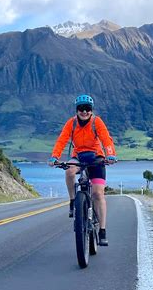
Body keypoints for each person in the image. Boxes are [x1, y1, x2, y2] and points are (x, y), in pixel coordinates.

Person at [48, 94, 117, 246]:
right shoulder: (71, 123)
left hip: (96, 157)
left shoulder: (97, 122)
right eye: (81, 109)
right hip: (78, 156)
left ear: (92, 110)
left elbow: (106, 139)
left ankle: (102, 230)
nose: (84, 112)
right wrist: (54, 157)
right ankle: (73, 201)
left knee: (98, 193)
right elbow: (62, 140)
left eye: (87, 109)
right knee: (69, 171)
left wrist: (110, 154)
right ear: (76, 110)